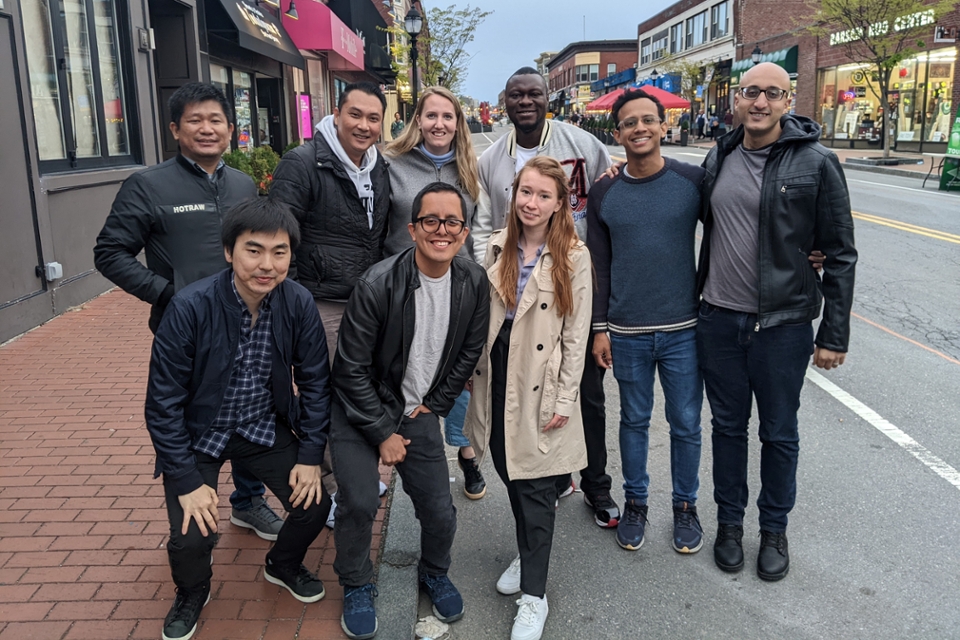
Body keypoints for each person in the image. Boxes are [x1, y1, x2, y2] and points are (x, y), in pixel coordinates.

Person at [94, 82, 283, 543]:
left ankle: (248, 501)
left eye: (216, 119)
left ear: (231, 129)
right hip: (186, 332)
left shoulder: (240, 183)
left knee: (251, 408)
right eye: (195, 120)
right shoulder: (148, 185)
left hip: (251, 325)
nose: (207, 129)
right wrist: (167, 294)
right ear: (175, 129)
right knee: (193, 416)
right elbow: (110, 252)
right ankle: (193, 501)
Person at [145, 198, 332, 640]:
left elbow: (316, 383)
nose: (267, 264)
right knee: (192, 536)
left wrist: (309, 454)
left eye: (279, 251)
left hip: (260, 427)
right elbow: (162, 404)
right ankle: (192, 590)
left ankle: (281, 564)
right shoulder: (190, 307)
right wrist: (187, 481)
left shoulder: (297, 302)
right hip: (199, 436)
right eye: (254, 250)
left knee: (315, 504)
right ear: (229, 251)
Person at [698, 62, 857, 582]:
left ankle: (773, 530)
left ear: (789, 101)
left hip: (783, 326)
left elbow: (840, 252)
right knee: (726, 428)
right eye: (751, 93)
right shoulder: (718, 154)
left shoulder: (817, 162)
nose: (760, 102)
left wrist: (833, 335)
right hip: (719, 319)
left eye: (772, 93)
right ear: (737, 100)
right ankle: (728, 524)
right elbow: (686, 205)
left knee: (779, 433)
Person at [330, 182, 489, 639]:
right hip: (360, 408)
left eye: (452, 221)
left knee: (440, 511)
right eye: (430, 221)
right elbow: (350, 370)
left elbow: (469, 351)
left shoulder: (473, 280)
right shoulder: (377, 283)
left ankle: (434, 572)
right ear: (412, 228)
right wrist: (382, 432)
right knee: (359, 501)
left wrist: (434, 407)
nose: (442, 230)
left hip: (417, 412)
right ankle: (357, 583)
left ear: (463, 231)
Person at [475, 66, 620, 530]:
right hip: (520, 294)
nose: (525, 102)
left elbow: (611, 189)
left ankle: (596, 484)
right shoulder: (493, 159)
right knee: (525, 400)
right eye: (516, 95)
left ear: (546, 98)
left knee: (584, 395)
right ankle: (551, 479)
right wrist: (492, 271)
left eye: (533, 93)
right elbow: (482, 225)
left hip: (571, 281)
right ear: (506, 100)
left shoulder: (581, 144)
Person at [464, 156, 591, 640]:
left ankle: (533, 598)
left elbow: (576, 335)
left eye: (543, 195)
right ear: (512, 195)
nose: (532, 202)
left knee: (535, 487)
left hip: (541, 381)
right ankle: (527, 549)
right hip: (496, 373)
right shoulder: (499, 246)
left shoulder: (574, 258)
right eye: (525, 192)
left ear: (560, 204)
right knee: (506, 467)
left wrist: (564, 398)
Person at [588, 89, 705, 555]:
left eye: (648, 121)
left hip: (684, 330)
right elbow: (599, 263)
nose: (639, 129)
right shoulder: (604, 191)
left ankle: (685, 508)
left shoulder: (693, 181)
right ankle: (636, 503)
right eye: (629, 123)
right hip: (628, 331)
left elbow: (740, 222)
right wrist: (600, 326)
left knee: (686, 423)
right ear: (617, 133)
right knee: (633, 421)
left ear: (664, 126)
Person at [270, 81, 391, 525]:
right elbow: (278, 237)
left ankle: (347, 474)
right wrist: (294, 301)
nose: (363, 125)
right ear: (336, 114)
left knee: (353, 389)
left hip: (363, 303)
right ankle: (331, 486)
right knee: (327, 393)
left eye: (373, 118)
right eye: (355, 114)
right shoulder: (302, 163)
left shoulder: (377, 166)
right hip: (320, 302)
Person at [383, 86, 486, 500]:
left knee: (459, 375)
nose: (439, 124)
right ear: (418, 121)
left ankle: (465, 453)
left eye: (448, 116)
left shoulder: (470, 168)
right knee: (408, 370)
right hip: (403, 288)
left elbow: (478, 232)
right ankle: (411, 448)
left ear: (458, 123)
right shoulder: (390, 163)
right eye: (431, 116)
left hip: (454, 287)